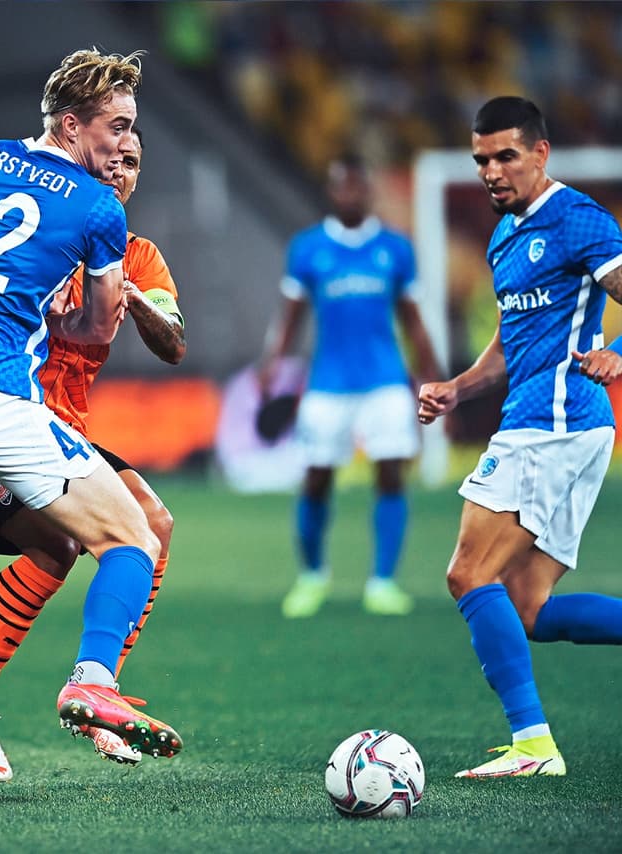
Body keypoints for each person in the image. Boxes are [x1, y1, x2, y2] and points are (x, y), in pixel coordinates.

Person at [0, 47, 182, 784]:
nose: (123, 145)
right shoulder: (94, 210)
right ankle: (91, 682)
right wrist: (39, 307)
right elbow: (91, 328)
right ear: (74, 123)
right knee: (136, 534)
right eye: (116, 126)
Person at [419, 96, 622, 778]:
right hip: (562, 425)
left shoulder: (576, 219)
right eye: (481, 159)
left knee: (468, 573)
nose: (492, 171)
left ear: (541, 153)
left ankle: (533, 745)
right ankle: (533, 742)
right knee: (529, 607)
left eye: (506, 156)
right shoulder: (506, 236)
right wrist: (458, 387)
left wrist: (620, 352)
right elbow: (512, 344)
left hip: (555, 421)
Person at [259, 153, 440, 619]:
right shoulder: (308, 248)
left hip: (384, 380)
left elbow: (413, 321)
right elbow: (290, 318)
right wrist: (272, 363)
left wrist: (432, 372)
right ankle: (312, 576)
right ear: (331, 191)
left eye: (357, 186)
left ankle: (383, 582)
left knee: (391, 474)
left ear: (367, 189)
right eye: (341, 186)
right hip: (327, 383)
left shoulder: (396, 248)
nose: (350, 194)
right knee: (317, 478)